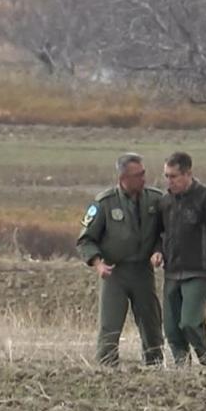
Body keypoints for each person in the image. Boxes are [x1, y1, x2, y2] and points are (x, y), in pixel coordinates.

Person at [77, 153, 165, 366]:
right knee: (110, 323)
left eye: (143, 173)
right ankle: (107, 366)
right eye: (138, 175)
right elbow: (85, 240)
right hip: (114, 272)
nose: (143, 179)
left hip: (143, 271)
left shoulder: (155, 199)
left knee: (151, 323)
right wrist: (98, 263)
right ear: (123, 178)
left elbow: (164, 232)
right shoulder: (105, 203)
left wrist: (158, 250)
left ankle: (154, 364)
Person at [153, 152, 206, 368]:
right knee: (171, 328)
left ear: (188, 174)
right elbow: (159, 233)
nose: (169, 181)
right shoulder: (165, 202)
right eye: (166, 176)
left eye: (174, 176)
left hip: (199, 271)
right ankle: (182, 369)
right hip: (172, 271)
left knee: (190, 322)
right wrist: (157, 251)